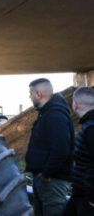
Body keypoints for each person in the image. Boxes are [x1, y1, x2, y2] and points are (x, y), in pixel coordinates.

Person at [26, 78, 75, 216]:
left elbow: (61, 149)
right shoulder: (47, 113)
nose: (29, 97)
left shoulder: (55, 115)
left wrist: (47, 173)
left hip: (52, 181)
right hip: (44, 180)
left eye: (30, 93)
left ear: (39, 94)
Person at [65, 87, 94, 215]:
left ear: (75, 105)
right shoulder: (89, 126)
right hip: (81, 195)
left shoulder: (91, 128)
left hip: (87, 198)